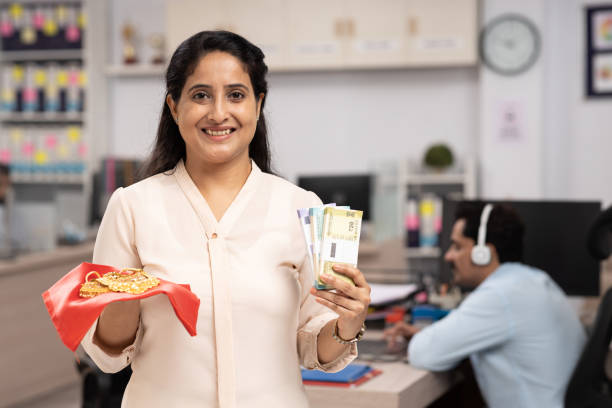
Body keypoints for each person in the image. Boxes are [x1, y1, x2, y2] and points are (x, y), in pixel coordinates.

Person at [81, 30, 371, 407]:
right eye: (200, 95)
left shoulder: (302, 207)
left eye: (236, 95)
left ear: (257, 103)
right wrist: (124, 297)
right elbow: (107, 355)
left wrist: (348, 324)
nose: (219, 113)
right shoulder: (132, 207)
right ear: (174, 106)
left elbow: (314, 348)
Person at [384, 201, 586, 408]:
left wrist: (421, 339)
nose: (448, 256)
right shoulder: (533, 280)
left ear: (484, 253)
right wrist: (424, 335)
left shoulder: (500, 295)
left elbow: (423, 354)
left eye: (457, 246)